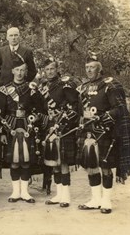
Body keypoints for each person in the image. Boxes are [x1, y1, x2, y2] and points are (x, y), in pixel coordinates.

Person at [76, 53, 130, 214]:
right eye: (87, 67)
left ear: (99, 69)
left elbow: (119, 108)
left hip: (105, 132)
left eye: (92, 67)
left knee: (106, 167)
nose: (89, 70)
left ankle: (106, 201)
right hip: (88, 131)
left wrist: (103, 118)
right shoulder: (84, 87)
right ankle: (95, 199)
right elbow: (82, 110)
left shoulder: (111, 85)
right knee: (91, 166)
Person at [0, 55, 46, 204]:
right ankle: (15, 192)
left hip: (27, 127)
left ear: (26, 72)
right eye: (17, 70)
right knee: (13, 160)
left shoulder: (32, 89)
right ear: (12, 70)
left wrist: (35, 119)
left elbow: (39, 109)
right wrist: (2, 132)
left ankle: (25, 192)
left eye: (22, 70)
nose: (19, 73)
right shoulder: (5, 89)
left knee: (26, 159)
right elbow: (1, 111)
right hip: (10, 126)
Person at [39, 57, 79, 208]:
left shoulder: (65, 85)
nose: (50, 72)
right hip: (50, 126)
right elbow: (43, 108)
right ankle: (58, 194)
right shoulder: (42, 86)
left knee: (63, 162)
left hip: (63, 126)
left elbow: (74, 106)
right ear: (44, 71)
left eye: (52, 69)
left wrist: (64, 121)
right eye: (47, 69)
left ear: (57, 69)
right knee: (54, 161)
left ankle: (66, 196)